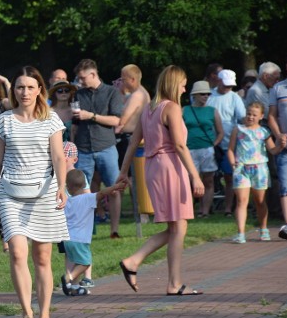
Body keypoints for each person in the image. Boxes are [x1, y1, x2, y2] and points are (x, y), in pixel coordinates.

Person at [0, 66, 69, 318]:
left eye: (30, 87)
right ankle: (26, 313)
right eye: (20, 87)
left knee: (42, 257)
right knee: (18, 252)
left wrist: (62, 186)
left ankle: (45, 315)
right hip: (11, 194)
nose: (25, 92)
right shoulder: (4, 121)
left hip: (44, 193)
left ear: (39, 90)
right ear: (14, 90)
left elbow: (58, 156)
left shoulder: (51, 119)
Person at [117, 65, 205, 296]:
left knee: (177, 226)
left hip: (153, 166)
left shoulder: (148, 108)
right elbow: (179, 145)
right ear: (174, 83)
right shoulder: (172, 108)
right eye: (183, 83)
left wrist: (123, 172)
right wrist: (195, 176)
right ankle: (173, 283)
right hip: (170, 167)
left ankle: (134, 262)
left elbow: (133, 142)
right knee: (179, 225)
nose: (185, 88)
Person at [71, 59, 124, 239]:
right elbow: (76, 123)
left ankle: (114, 230)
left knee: (114, 188)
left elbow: (116, 121)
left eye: (82, 78)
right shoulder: (79, 94)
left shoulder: (112, 92)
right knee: (82, 191)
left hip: (106, 146)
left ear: (93, 74)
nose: (80, 81)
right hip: (84, 148)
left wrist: (91, 116)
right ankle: (85, 230)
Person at [60, 170, 124, 296]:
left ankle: (75, 287)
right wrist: (115, 187)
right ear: (85, 185)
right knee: (85, 263)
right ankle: (68, 277)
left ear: (67, 187)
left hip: (67, 239)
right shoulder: (88, 198)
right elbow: (102, 192)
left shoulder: (67, 201)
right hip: (80, 239)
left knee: (75, 262)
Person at [227, 102, 284, 242]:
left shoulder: (264, 132)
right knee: (242, 201)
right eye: (248, 114)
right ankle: (240, 233)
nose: (250, 117)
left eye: (254, 115)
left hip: (259, 169)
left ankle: (263, 228)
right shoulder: (238, 129)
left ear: (261, 116)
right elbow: (230, 149)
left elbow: (272, 150)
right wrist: (232, 161)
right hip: (242, 168)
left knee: (259, 201)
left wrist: (281, 146)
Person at [207, 70, 246, 217]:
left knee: (229, 177)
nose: (228, 88)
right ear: (219, 81)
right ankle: (206, 207)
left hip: (229, 143)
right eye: (225, 85)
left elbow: (241, 117)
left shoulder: (234, 97)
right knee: (208, 177)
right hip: (211, 141)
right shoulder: (210, 96)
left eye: (230, 86)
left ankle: (228, 208)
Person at [183, 81, 223, 217]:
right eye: (202, 94)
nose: (206, 96)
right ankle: (190, 210)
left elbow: (220, 131)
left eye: (208, 94)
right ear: (195, 95)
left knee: (208, 180)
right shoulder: (185, 110)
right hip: (189, 149)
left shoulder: (212, 111)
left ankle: (204, 211)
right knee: (189, 180)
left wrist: (214, 145)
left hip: (207, 149)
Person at [268, 71, 287, 240]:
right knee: (285, 186)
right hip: (285, 148)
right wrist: (278, 135)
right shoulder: (278, 88)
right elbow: (272, 116)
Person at [115, 64, 151, 166]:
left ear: (132, 80)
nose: (122, 82)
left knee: (130, 172)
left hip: (130, 138)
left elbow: (122, 119)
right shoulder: (139, 93)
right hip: (132, 136)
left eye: (123, 80)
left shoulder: (137, 95)